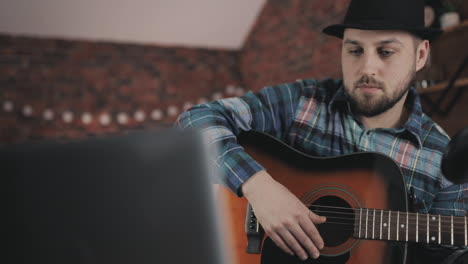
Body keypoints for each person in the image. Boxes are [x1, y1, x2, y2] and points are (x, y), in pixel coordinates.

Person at [176, 0, 468, 262]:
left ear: (420, 56)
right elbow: (194, 122)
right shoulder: (303, 100)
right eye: (354, 50)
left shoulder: (446, 160)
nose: (368, 67)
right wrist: (260, 188)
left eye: (386, 51)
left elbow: (445, 257)